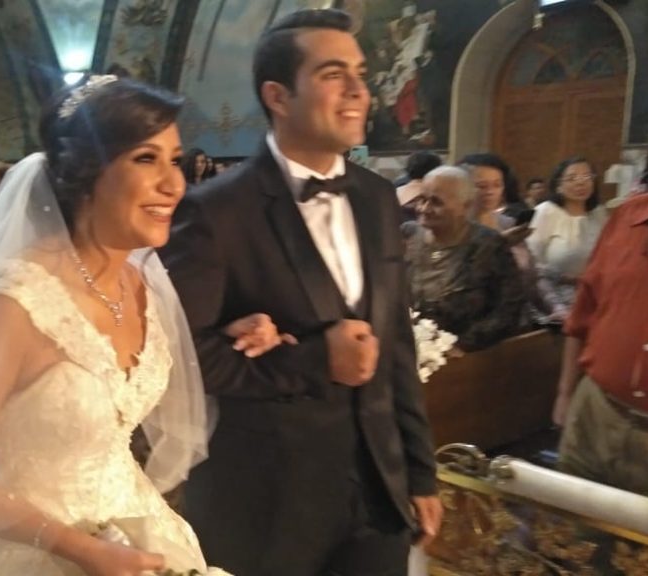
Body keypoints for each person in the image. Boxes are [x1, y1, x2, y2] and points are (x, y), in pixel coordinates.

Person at [0, 76, 257, 576]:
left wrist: (243, 329)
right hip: (20, 546)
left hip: (131, 524)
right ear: (85, 172)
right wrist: (80, 548)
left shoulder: (141, 283)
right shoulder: (7, 307)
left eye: (174, 160)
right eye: (145, 159)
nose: (173, 183)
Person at [160, 10, 441, 575]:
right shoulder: (215, 211)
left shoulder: (378, 198)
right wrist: (314, 359)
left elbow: (396, 344)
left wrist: (419, 471)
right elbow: (179, 356)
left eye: (360, 74)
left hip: (377, 494)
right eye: (333, 74)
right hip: (267, 504)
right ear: (278, 96)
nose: (359, 90)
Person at [553, 187, 648, 500]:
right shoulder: (627, 215)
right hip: (595, 413)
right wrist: (565, 392)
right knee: (568, 519)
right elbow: (583, 311)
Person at [404, 167, 526, 351]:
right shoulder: (409, 235)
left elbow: (508, 309)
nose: (424, 208)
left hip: (467, 355)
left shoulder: (488, 245)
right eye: (422, 199)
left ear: (466, 206)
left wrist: (462, 344)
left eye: (436, 202)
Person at [526, 158, 607, 323]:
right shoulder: (545, 212)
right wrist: (568, 279)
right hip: (555, 301)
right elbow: (531, 264)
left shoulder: (599, 213)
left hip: (596, 299)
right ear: (558, 185)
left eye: (587, 177)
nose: (581, 183)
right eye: (572, 178)